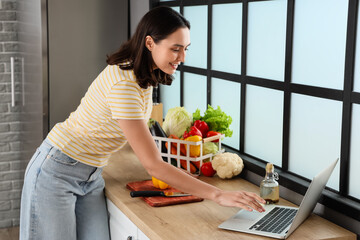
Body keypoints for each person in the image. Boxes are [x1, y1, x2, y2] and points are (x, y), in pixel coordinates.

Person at [20, 6, 265, 240]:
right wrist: (218, 194)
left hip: (91, 175)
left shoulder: (143, 77)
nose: (182, 57)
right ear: (150, 43)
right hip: (57, 172)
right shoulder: (125, 84)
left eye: (186, 49)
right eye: (176, 49)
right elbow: (154, 166)